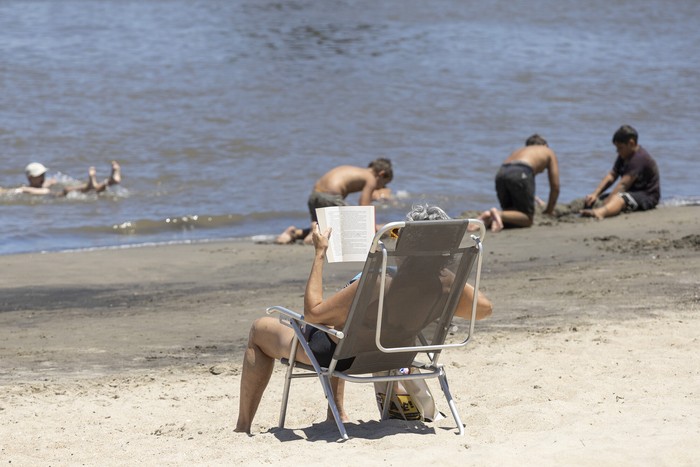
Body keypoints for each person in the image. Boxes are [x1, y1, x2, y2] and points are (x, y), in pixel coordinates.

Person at [235, 204, 493, 434]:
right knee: (346, 323)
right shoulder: (447, 285)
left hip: (341, 357)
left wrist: (320, 253)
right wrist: (448, 273)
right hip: (397, 355)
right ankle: (336, 413)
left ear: (406, 244)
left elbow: (313, 313)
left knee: (261, 328)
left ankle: (243, 426)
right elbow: (484, 310)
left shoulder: (381, 282)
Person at [275, 158, 393, 244]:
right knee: (354, 225)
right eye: (383, 184)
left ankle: (294, 233)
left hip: (314, 196)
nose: (379, 188)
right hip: (330, 197)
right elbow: (364, 207)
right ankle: (311, 238)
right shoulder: (371, 178)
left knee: (324, 226)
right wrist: (373, 228)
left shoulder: (355, 170)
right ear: (381, 174)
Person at [478, 134, 560, 232]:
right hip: (521, 172)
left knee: (513, 214)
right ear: (545, 145)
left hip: (501, 173)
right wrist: (549, 211)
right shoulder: (548, 151)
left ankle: (489, 217)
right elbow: (555, 186)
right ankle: (497, 213)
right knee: (527, 219)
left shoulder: (519, 151)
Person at [581, 125, 660, 219]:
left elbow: (623, 185)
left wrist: (607, 202)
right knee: (600, 199)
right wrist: (595, 194)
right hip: (631, 192)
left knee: (619, 198)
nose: (617, 151)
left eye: (620, 148)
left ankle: (601, 212)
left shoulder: (639, 158)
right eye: (616, 148)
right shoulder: (624, 155)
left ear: (631, 143)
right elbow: (612, 175)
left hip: (646, 197)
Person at [3, 161, 121, 196]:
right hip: (54, 194)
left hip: (53, 194)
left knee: (88, 189)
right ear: (30, 178)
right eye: (40, 176)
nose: (43, 178)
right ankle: (110, 180)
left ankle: (110, 180)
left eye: (43, 175)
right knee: (91, 189)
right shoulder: (26, 188)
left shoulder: (42, 185)